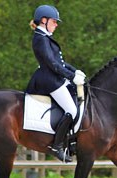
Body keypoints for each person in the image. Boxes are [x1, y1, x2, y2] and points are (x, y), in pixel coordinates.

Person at [26, 5, 86, 162]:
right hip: (48, 80)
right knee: (71, 110)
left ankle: (71, 140)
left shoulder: (45, 37)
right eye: (54, 21)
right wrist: (71, 77)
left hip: (54, 77)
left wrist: (75, 71)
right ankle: (57, 146)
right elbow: (52, 64)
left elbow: (61, 62)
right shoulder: (40, 38)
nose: (56, 24)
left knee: (77, 100)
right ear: (44, 21)